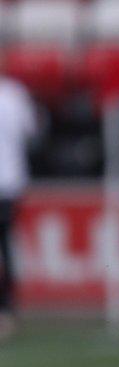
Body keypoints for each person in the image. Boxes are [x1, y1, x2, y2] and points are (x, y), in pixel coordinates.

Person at [0, 73, 38, 339]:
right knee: (5, 245)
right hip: (9, 182)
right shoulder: (14, 93)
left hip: (7, 180)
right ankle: (7, 311)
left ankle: (6, 310)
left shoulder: (14, 93)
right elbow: (32, 132)